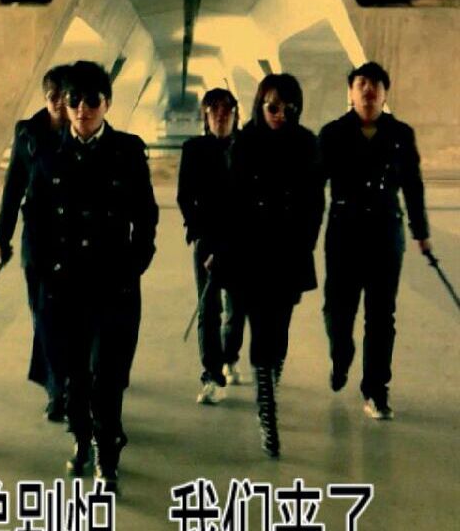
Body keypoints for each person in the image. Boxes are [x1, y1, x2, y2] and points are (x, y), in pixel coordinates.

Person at [0, 61, 158, 493]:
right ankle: (82, 438)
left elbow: (145, 214)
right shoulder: (47, 154)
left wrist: (135, 262)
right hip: (62, 284)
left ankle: (107, 453)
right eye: (74, 100)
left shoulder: (126, 151)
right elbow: (35, 215)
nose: (83, 108)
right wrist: (42, 269)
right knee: (71, 375)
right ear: (64, 105)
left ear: (107, 103)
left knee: (108, 373)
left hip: (113, 283)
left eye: (92, 100)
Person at [319, 61, 431, 420]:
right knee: (338, 310)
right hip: (343, 234)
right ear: (351, 92)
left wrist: (421, 232)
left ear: (385, 94)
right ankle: (341, 356)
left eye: (376, 84)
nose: (369, 90)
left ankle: (376, 390)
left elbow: (412, 185)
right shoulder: (333, 133)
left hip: (385, 233)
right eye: (362, 83)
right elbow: (313, 187)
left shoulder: (401, 134)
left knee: (381, 316)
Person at [227, 74, 324, 458]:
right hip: (250, 255)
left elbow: (315, 202)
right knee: (261, 330)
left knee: (279, 330)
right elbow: (231, 200)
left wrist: (305, 242)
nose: (280, 114)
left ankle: (270, 381)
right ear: (260, 105)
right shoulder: (243, 143)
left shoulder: (306, 143)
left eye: (289, 108)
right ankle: (267, 406)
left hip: (289, 253)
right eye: (273, 106)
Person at [0, 64, 71, 422]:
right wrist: (2, 236)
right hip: (38, 239)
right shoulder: (27, 133)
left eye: (64, 96)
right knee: (43, 314)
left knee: (71, 316)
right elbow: (13, 186)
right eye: (52, 95)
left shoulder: (84, 132)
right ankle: (56, 388)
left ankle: (68, 384)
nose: (58, 102)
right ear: (45, 97)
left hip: (75, 241)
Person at [177, 88, 246, 404]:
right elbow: (185, 197)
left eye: (226, 108)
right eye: (214, 109)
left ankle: (230, 356)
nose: (221, 114)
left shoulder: (246, 148)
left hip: (241, 241)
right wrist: (200, 235)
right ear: (205, 115)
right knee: (208, 307)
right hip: (207, 240)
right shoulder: (193, 149)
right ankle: (212, 374)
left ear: (235, 113)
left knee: (237, 306)